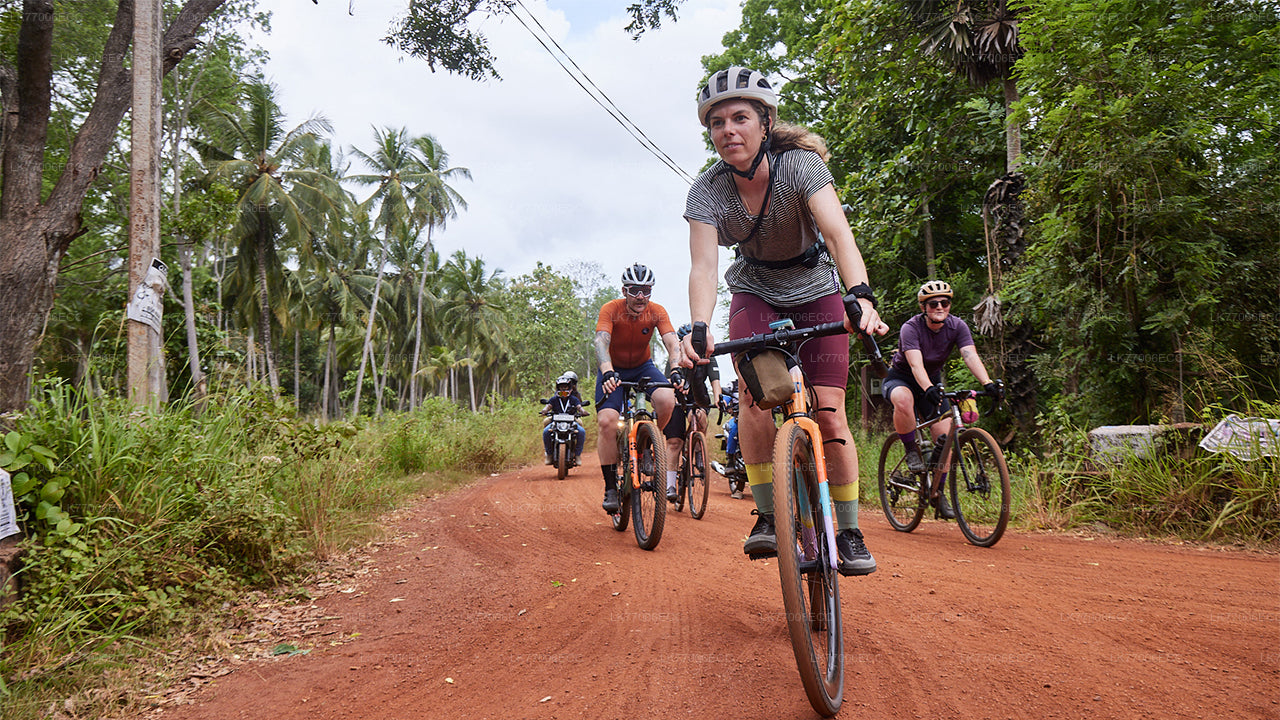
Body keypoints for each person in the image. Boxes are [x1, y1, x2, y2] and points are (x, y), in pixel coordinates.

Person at [681, 66, 888, 577]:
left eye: (741, 118)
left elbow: (840, 236)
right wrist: (700, 327)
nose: (728, 130)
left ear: (765, 121)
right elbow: (703, 267)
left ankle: (849, 530)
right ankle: (769, 517)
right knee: (755, 397)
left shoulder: (800, 167)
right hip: (755, 290)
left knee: (832, 412)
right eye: (717, 122)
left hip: (817, 287)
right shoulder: (706, 191)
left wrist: (859, 295)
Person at [882, 280, 1003, 519]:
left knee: (946, 438)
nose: (939, 306)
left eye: (944, 302)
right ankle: (911, 451)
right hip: (902, 379)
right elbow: (915, 365)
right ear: (923, 307)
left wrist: (988, 383)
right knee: (904, 399)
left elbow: (969, 355)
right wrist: (927, 387)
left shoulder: (957, 326)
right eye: (933, 303)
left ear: (949, 305)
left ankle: (937, 493)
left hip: (932, 384)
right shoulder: (911, 328)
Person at [595, 263, 682, 513]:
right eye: (635, 290)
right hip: (614, 368)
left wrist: (675, 368)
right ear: (625, 290)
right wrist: (607, 371)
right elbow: (601, 342)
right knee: (607, 422)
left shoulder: (657, 311)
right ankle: (611, 486)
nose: (641, 296)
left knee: (667, 399)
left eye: (646, 290)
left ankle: (647, 445)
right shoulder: (610, 309)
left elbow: (671, 342)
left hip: (643, 366)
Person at [663, 324, 721, 502]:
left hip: (698, 393)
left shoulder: (709, 356)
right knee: (674, 442)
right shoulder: (675, 356)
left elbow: (715, 380)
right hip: (678, 395)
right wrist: (673, 395)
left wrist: (718, 398)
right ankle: (670, 484)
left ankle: (697, 448)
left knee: (701, 418)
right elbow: (668, 380)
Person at [541, 373, 588, 466]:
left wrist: (583, 411)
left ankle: (577, 455)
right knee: (546, 432)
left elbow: (579, 406)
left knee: (581, 432)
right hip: (556, 421)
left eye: (565, 387)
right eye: (561, 387)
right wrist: (544, 410)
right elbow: (548, 406)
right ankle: (549, 454)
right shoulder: (554, 399)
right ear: (557, 388)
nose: (563, 389)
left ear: (570, 388)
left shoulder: (574, 398)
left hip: (571, 421)